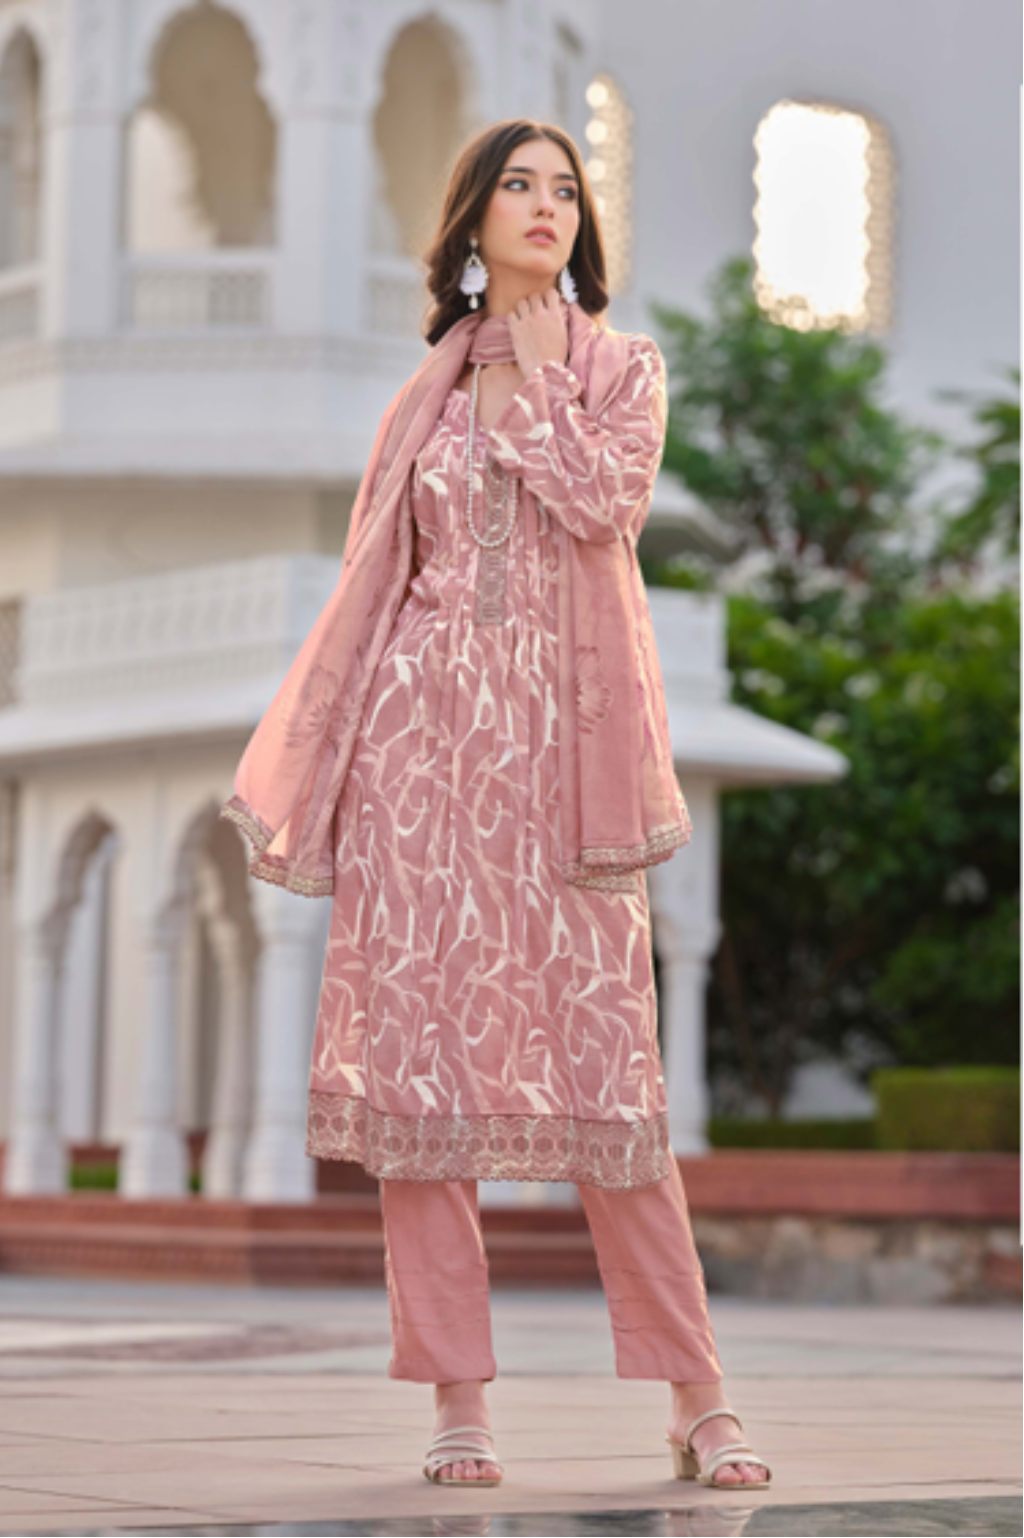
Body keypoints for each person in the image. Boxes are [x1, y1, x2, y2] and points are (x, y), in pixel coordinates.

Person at [221, 117, 771, 1494]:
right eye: (519, 188)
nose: (546, 207)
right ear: (472, 224)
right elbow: (381, 579)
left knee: (614, 1084)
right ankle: (458, 1401)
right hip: (423, 768)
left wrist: (533, 384)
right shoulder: (421, 396)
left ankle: (697, 1395)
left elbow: (606, 505)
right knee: (421, 1089)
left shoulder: (622, 371)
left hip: (565, 777)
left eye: (566, 190)